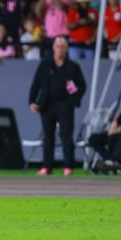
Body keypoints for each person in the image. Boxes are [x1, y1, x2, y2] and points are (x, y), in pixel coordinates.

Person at [29, 37, 86, 176]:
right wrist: (32, 101)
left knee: (66, 135)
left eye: (63, 46)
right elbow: (36, 83)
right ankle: (47, 166)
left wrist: (74, 100)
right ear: (53, 48)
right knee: (48, 135)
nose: (60, 49)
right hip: (47, 104)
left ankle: (68, 166)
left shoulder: (73, 67)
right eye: (58, 46)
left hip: (65, 104)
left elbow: (82, 85)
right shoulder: (45, 65)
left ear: (66, 49)